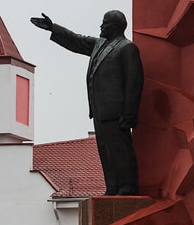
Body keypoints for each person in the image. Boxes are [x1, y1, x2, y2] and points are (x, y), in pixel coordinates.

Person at [31, 11, 144, 195]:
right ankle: (112, 186)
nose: (101, 26)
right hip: (99, 111)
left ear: (115, 26)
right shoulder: (100, 45)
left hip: (117, 112)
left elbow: (134, 81)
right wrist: (53, 28)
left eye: (104, 23)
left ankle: (127, 187)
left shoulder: (127, 48)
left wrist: (130, 113)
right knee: (105, 152)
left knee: (120, 151)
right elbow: (77, 41)